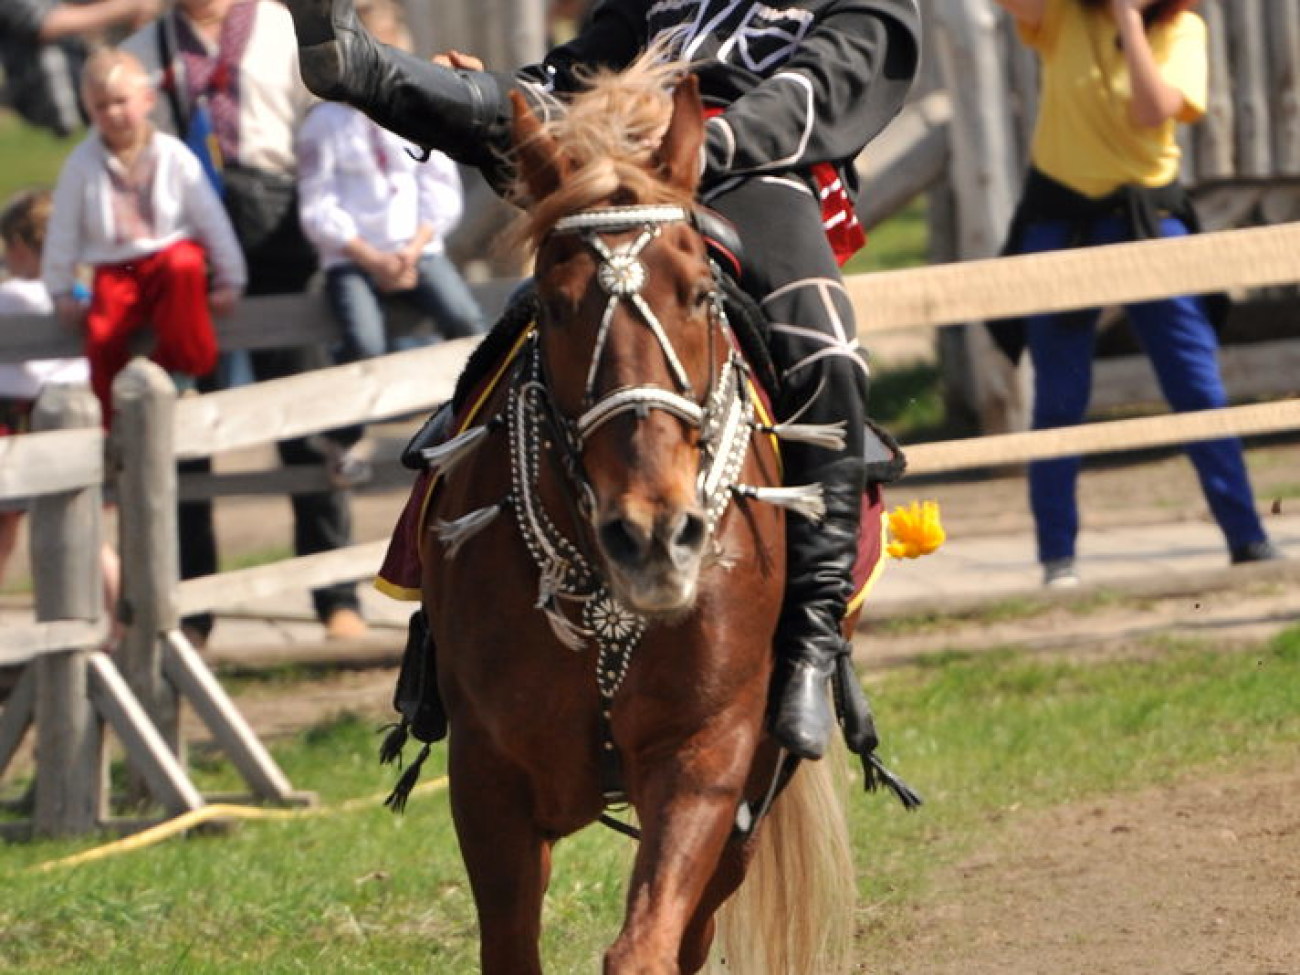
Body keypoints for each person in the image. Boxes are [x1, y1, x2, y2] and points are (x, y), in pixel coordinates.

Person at [281, 0, 922, 763]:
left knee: (825, 347)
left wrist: (702, 140)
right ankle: (360, 66)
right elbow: (583, 67)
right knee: (512, 338)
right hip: (618, 155)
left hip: (756, 173)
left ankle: (814, 640)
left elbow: (827, 85)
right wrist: (526, 100)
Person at [991, 0, 1280, 588]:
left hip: (1148, 214)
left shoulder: (1183, 28)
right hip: (1060, 217)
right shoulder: (1065, 16)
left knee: (1195, 384)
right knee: (1059, 398)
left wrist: (1127, 21)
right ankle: (1057, 560)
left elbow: (1153, 111)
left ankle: (1246, 538)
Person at [122, 0, 369, 644]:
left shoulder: (277, 27)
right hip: (185, 244)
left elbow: (323, 128)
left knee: (304, 418)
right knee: (185, 435)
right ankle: (193, 611)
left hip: (282, 233)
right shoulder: (146, 48)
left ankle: (334, 595)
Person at [296, 0, 484, 476]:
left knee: (464, 318)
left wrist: (415, 246)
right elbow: (319, 206)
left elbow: (438, 187)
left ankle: (466, 420)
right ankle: (343, 438)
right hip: (354, 255)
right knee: (363, 339)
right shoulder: (325, 126)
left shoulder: (415, 114)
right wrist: (368, 256)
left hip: (415, 247)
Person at [42, 47, 245, 421]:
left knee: (183, 267)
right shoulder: (81, 165)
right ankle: (113, 417)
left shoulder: (172, 155)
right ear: (89, 110)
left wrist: (230, 278)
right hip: (116, 266)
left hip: (166, 256)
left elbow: (210, 219)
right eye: (101, 106)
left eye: (121, 101)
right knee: (103, 333)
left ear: (147, 99)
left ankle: (180, 378)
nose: (114, 113)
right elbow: (63, 230)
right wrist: (60, 289)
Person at [0, 188, 119, 634]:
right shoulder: (80, 296)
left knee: (2, 533)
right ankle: (124, 623)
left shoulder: (12, 298)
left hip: (14, 417)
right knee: (85, 531)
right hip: (74, 414)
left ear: (20, 247)